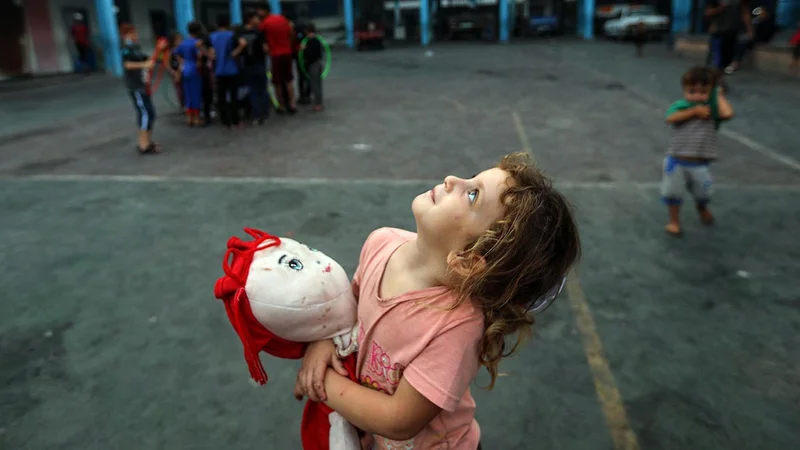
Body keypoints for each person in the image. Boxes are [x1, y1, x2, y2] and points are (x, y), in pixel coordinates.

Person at [293, 153, 582, 449]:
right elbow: (347, 314)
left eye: (472, 194)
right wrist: (324, 342)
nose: (452, 179)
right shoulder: (381, 242)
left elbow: (398, 420)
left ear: (469, 260)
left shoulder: (455, 325)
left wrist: (321, 381)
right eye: (471, 177)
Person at [661, 67, 734, 236]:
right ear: (684, 91)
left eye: (703, 91)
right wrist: (693, 111)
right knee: (673, 193)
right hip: (676, 161)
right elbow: (670, 118)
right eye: (691, 91)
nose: (697, 96)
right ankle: (674, 221)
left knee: (704, 192)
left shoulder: (712, 111)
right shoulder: (681, 106)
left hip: (700, 164)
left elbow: (728, 114)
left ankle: (702, 208)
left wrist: (718, 95)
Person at [119, 24, 159, 154]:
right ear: (126, 36)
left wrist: (159, 51)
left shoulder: (135, 49)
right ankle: (143, 144)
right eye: (132, 34)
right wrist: (144, 64)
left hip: (143, 85)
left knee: (150, 113)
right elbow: (127, 65)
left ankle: (148, 141)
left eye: (135, 34)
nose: (135, 36)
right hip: (136, 87)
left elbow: (148, 59)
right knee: (145, 114)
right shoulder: (126, 50)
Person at [260, 3, 297, 114]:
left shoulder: (264, 23)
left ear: (264, 10)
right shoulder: (283, 19)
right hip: (287, 52)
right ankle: (292, 103)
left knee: (277, 82)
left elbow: (262, 40)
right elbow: (291, 34)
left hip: (275, 54)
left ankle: (281, 105)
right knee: (289, 80)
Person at [210, 14, 246, 128]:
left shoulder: (212, 36)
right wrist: (236, 52)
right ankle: (236, 120)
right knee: (234, 96)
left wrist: (211, 55)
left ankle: (225, 120)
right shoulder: (232, 35)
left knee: (221, 96)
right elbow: (243, 43)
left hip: (219, 70)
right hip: (232, 69)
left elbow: (204, 47)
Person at [236, 10, 271, 124]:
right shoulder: (259, 32)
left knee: (253, 90)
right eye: (256, 18)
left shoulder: (240, 32)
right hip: (259, 64)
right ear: (250, 19)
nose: (258, 20)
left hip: (247, 65)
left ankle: (255, 115)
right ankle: (264, 113)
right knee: (262, 90)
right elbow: (265, 49)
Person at [172, 21, 206, 127]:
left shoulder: (183, 43)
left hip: (185, 68)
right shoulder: (197, 42)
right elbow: (200, 55)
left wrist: (182, 61)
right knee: (195, 93)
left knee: (188, 94)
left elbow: (174, 52)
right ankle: (196, 119)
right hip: (194, 69)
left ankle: (189, 118)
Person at [301, 23, 324, 111]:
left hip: (313, 65)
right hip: (318, 64)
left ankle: (318, 104)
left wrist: (304, 49)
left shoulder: (311, 41)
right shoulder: (317, 40)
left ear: (307, 31)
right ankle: (318, 103)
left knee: (315, 85)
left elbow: (310, 55)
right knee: (318, 84)